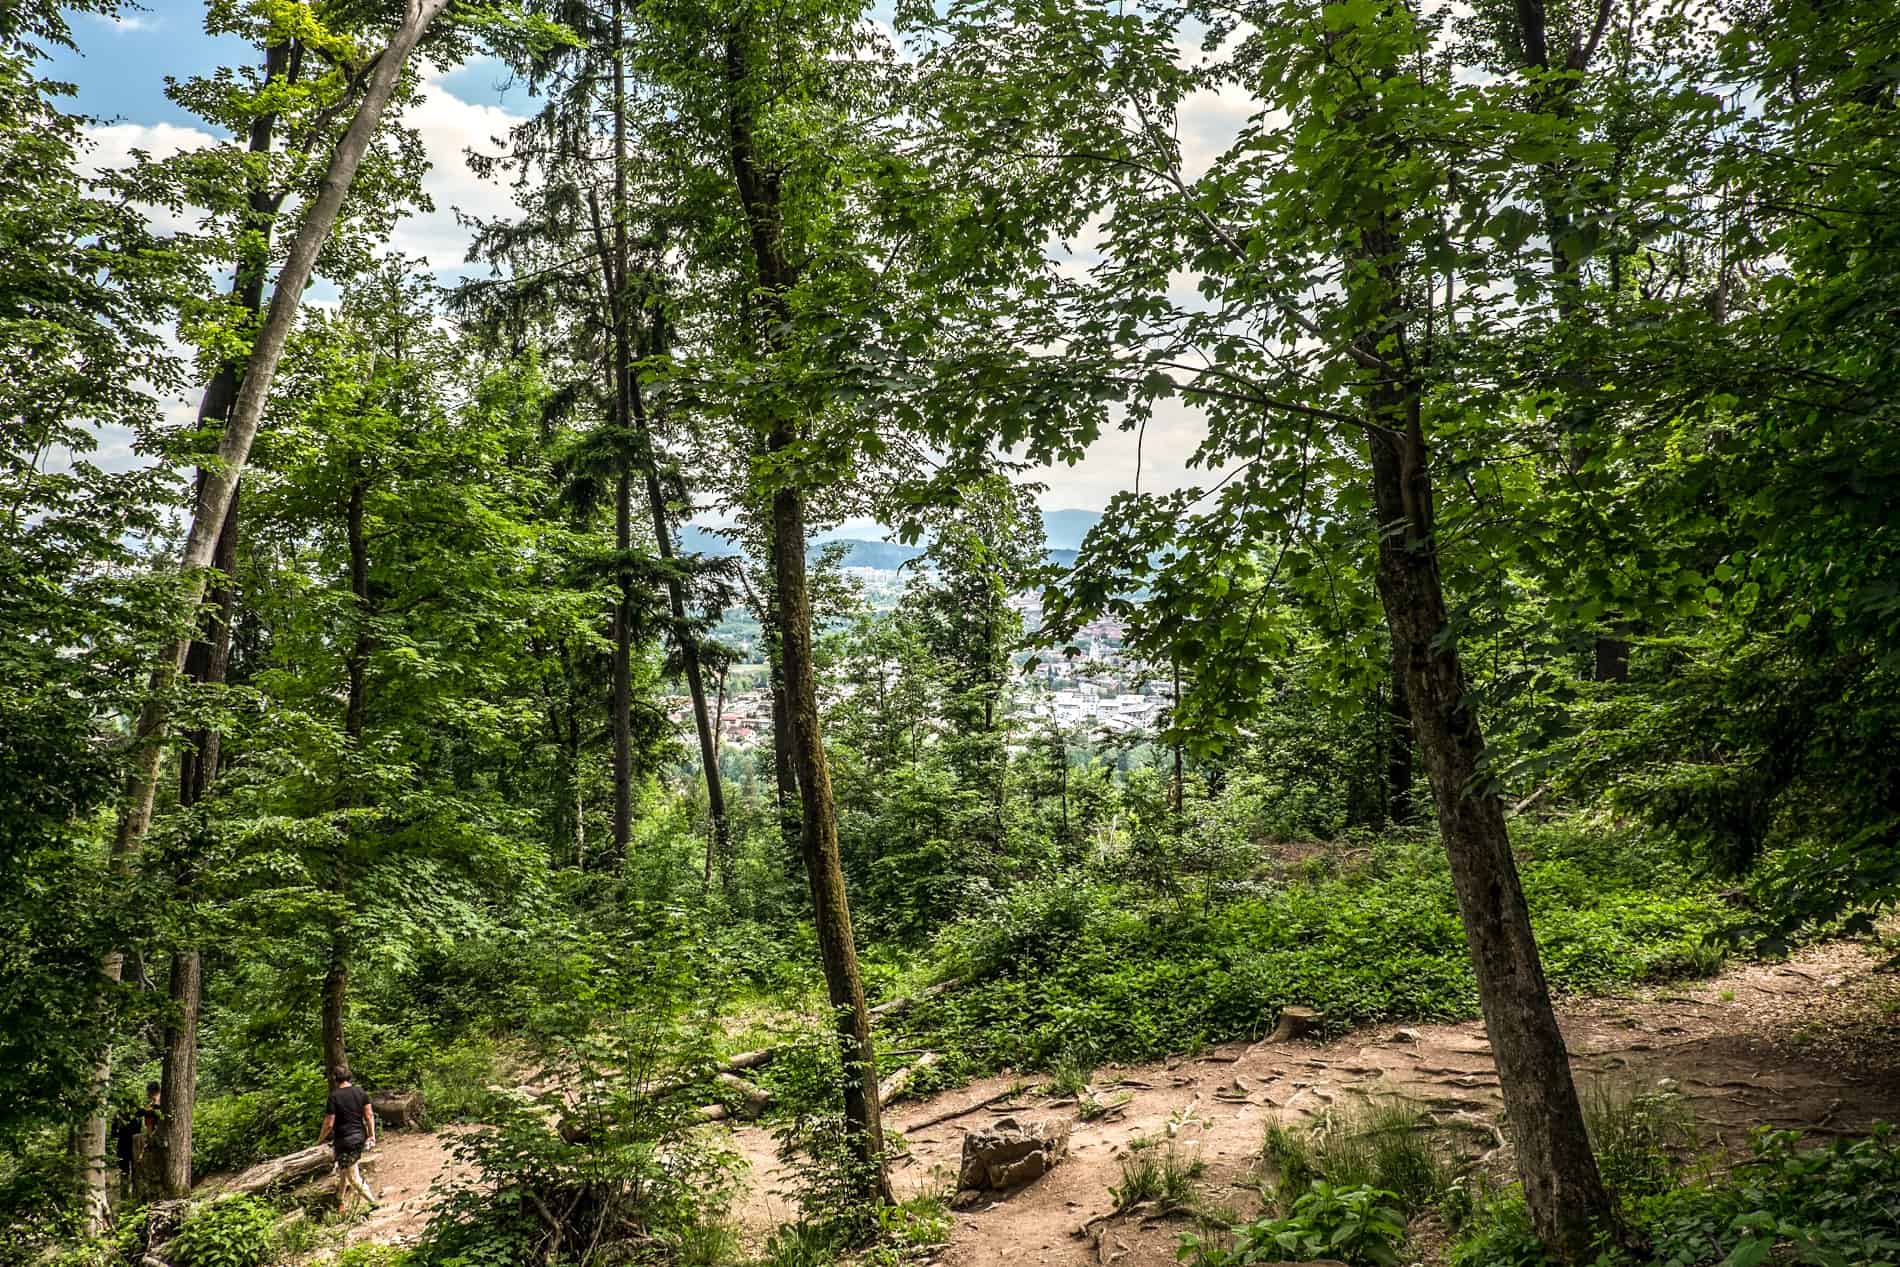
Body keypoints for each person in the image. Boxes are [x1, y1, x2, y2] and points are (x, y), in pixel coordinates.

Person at [315, 1065, 377, 1213]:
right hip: (358, 1137)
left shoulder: (334, 1096)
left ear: (335, 1079)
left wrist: (319, 1140)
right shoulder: (360, 1092)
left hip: (344, 1141)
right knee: (344, 1171)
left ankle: (374, 1203)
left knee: (353, 1177)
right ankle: (340, 1202)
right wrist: (371, 1135)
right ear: (349, 1077)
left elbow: (329, 1123)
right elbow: (369, 1115)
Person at [114, 1082, 160, 1197]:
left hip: (125, 1146)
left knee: (125, 1172)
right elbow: (150, 1112)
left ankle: (126, 1195)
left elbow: (113, 1133)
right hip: (132, 1146)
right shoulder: (138, 1112)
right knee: (134, 1171)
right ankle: (134, 1194)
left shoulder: (119, 1114)